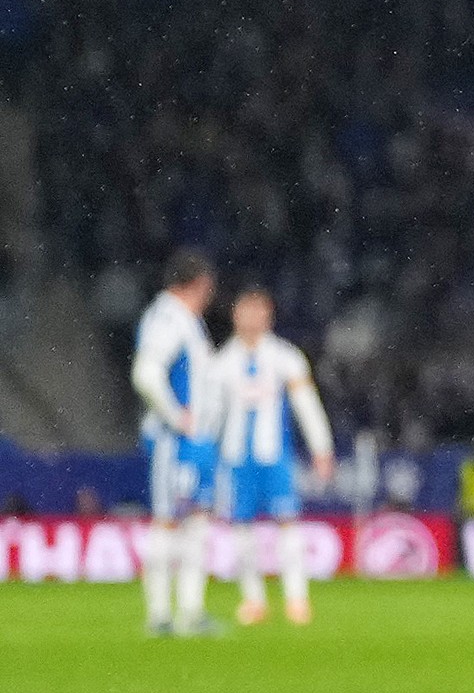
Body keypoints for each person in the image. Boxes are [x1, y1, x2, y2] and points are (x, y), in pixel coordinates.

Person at [210, 286, 337, 627]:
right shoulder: (221, 363)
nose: (251, 318)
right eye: (245, 311)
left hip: (275, 457)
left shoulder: (285, 357)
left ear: (269, 315)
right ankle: (253, 600)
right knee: (241, 531)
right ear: (235, 315)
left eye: (258, 311)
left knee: (288, 525)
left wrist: (321, 448)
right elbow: (212, 415)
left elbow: (306, 405)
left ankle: (297, 598)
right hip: (237, 459)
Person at [130, 251, 219, 639]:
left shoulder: (185, 320)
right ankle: (159, 614)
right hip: (175, 441)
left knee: (196, 523)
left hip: (195, 441)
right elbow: (146, 374)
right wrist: (175, 416)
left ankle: (191, 611)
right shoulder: (167, 319)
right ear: (199, 283)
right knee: (168, 522)